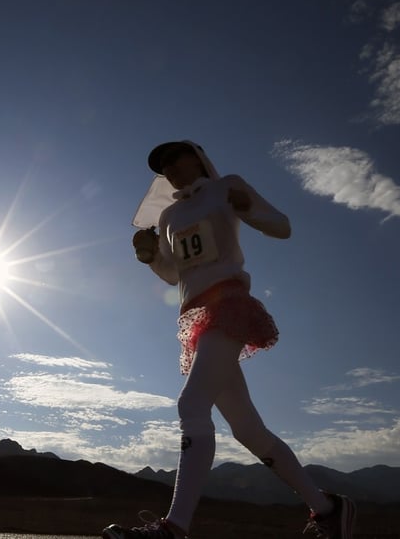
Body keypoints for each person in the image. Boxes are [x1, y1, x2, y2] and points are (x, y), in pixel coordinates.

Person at [102, 141, 356, 539]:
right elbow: (175, 275)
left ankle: (174, 528)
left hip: (229, 304)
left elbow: (282, 226)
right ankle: (327, 509)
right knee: (247, 429)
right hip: (195, 318)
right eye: (162, 166)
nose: (169, 168)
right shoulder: (169, 215)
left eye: (175, 158)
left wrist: (247, 207)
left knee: (191, 404)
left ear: (198, 157)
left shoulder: (226, 188)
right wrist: (151, 257)